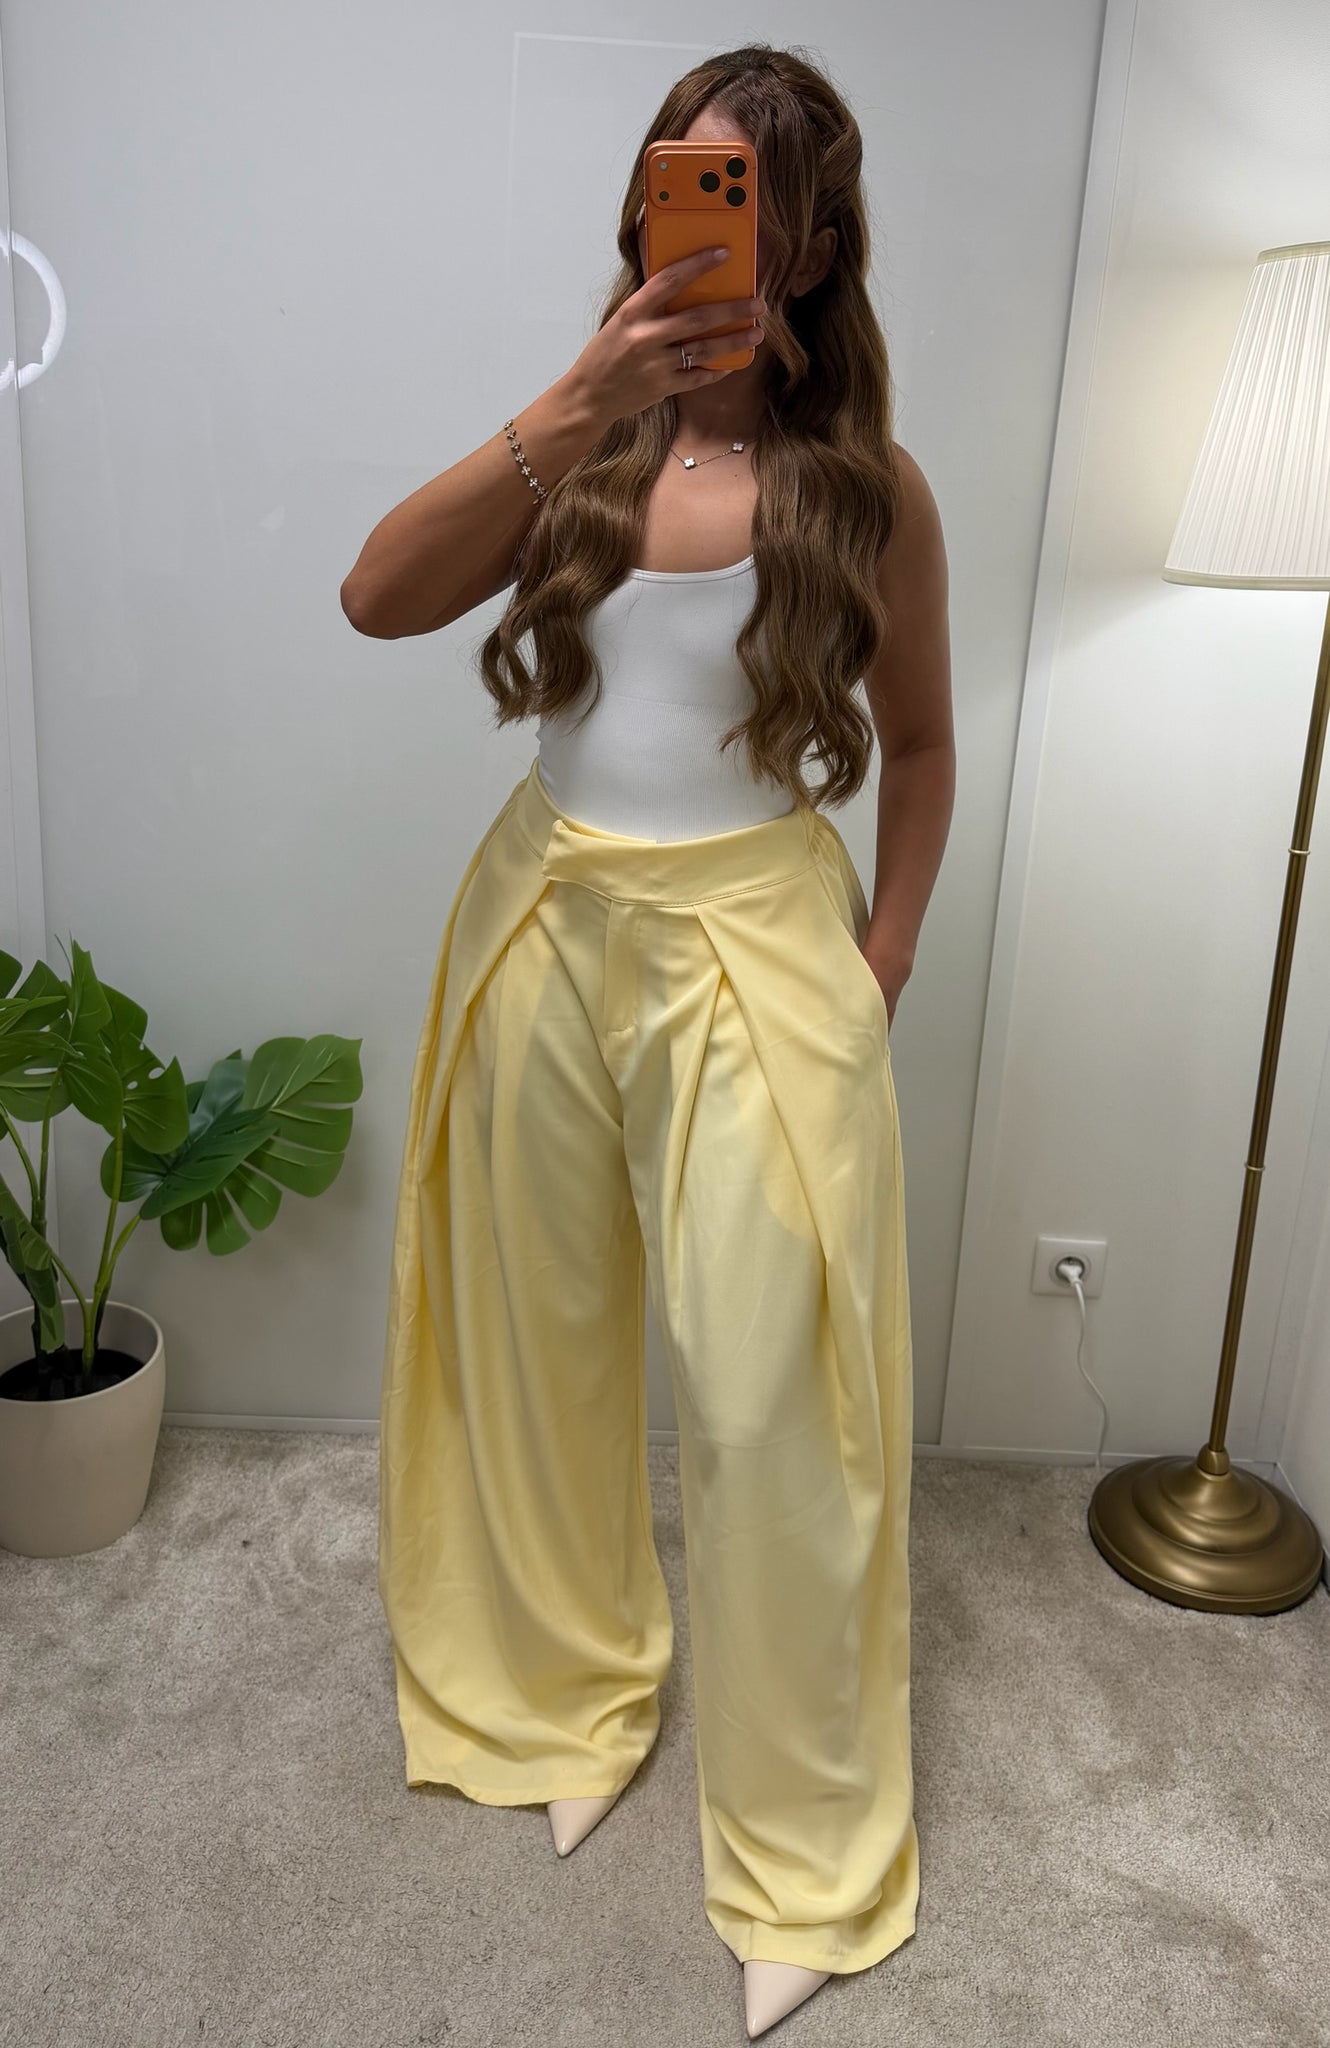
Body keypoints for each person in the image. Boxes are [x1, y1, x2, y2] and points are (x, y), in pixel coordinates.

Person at [343, 42, 953, 2042]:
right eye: (667, 184)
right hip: (544, 919)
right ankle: (558, 1693)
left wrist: (878, 954)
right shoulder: (582, 459)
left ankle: (799, 1835)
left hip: (757, 949)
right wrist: (573, 401)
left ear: (810, 239)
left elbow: (922, 746)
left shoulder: (864, 494)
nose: (684, 222)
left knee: (779, 1405)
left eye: (733, 192)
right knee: (537, 1341)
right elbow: (374, 596)